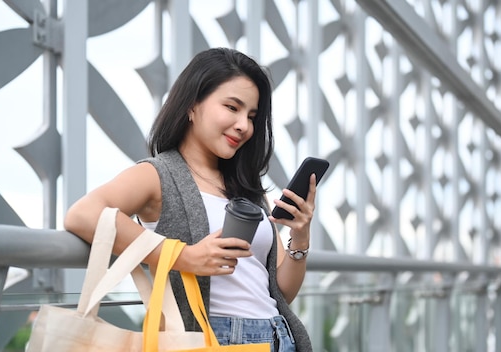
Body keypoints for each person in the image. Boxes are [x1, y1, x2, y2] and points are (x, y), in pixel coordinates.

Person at [64, 47, 315, 351]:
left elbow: (280, 292)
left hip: (277, 337)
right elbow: (83, 215)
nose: (244, 126)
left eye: (251, 116)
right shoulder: (158, 175)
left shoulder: (245, 190)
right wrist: (184, 257)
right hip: (212, 338)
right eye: (232, 107)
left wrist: (300, 237)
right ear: (192, 106)